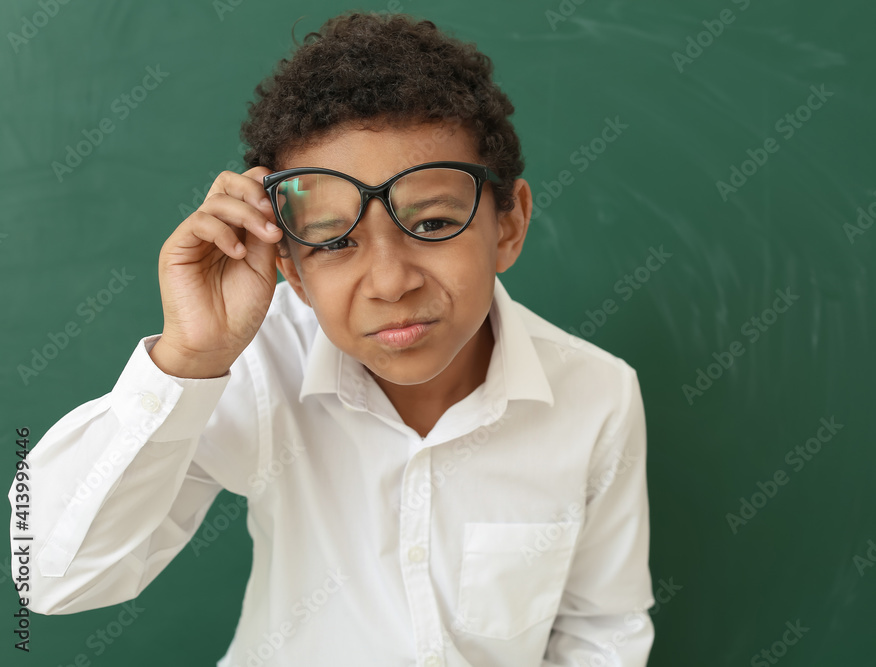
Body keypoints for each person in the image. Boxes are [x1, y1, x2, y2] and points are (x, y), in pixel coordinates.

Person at [9, 11, 654, 666]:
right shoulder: (255, 367)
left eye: (431, 221)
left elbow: (601, 627)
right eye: (336, 239)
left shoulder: (597, 395)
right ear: (288, 262)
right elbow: (49, 576)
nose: (389, 280)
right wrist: (190, 359)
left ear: (509, 224)